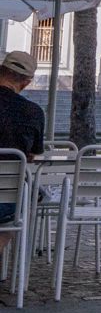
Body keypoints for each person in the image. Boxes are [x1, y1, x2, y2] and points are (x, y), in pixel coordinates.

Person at [0, 51, 44, 244]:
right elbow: (33, 154)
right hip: (8, 199)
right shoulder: (33, 112)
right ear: (26, 82)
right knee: (27, 196)